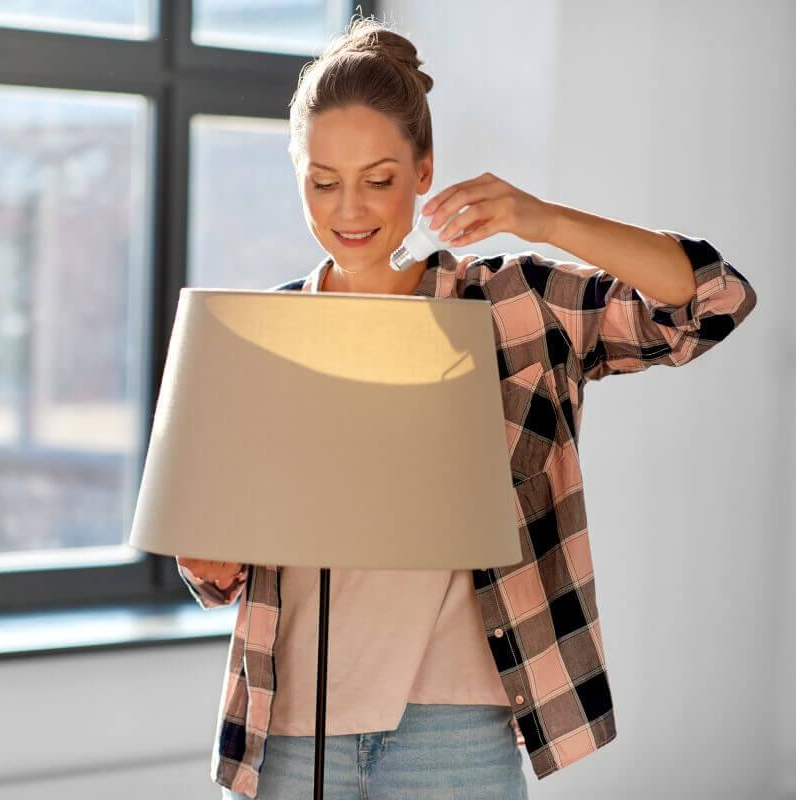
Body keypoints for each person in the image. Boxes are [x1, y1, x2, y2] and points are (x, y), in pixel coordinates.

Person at [178, 13, 757, 800]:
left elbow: (712, 302)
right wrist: (206, 563)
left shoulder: (510, 306)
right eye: (322, 181)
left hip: (453, 729)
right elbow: (222, 572)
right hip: (288, 729)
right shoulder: (267, 335)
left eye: (378, 179)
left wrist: (544, 219)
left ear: (424, 173)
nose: (349, 209)